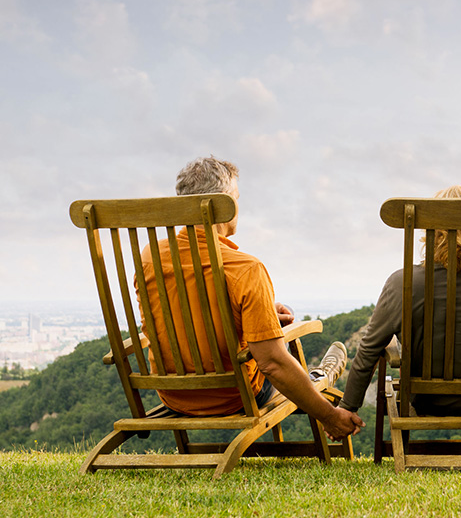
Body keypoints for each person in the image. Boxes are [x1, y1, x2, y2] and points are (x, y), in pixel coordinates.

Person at [137, 156, 364, 441]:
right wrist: (330, 416)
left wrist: (261, 312)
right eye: (236, 199)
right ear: (224, 206)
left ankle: (319, 375)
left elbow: (189, 311)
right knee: (290, 355)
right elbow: (272, 364)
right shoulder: (244, 268)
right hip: (235, 396)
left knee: (273, 338)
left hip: (174, 395)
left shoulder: (150, 258)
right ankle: (322, 377)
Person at [341, 185, 461, 418]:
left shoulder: (402, 282)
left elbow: (370, 348)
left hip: (431, 399)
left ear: (433, 230)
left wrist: (348, 407)